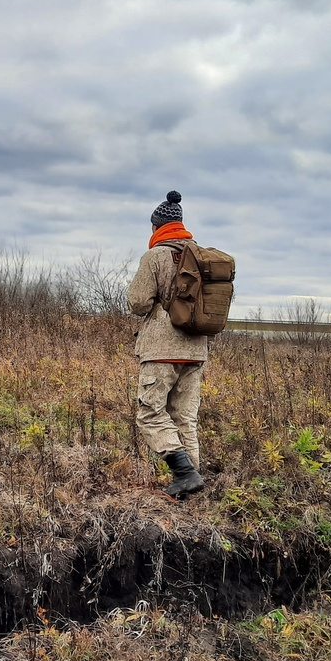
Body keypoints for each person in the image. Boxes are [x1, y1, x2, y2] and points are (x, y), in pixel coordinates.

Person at [126, 191, 207, 498]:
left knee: (149, 412)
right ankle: (192, 485)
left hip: (161, 348)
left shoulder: (156, 256)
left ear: (157, 226)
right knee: (184, 417)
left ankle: (184, 472)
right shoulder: (201, 255)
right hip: (197, 349)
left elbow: (137, 302)